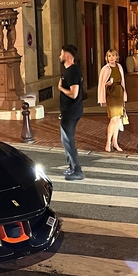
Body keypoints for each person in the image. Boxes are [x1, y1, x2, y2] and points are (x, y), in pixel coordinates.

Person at [57, 44, 84, 181]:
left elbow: (74, 94)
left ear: (67, 56)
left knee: (68, 141)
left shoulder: (72, 72)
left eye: (61, 54)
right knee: (65, 139)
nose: (60, 56)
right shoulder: (70, 71)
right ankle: (71, 167)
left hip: (72, 112)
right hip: (69, 111)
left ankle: (77, 170)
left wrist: (61, 88)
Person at [97, 49, 127, 152]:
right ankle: (108, 143)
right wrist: (107, 84)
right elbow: (101, 85)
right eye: (109, 56)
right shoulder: (105, 69)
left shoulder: (119, 67)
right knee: (113, 119)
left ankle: (115, 142)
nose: (111, 58)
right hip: (111, 94)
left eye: (113, 55)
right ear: (107, 58)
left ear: (116, 57)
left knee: (118, 119)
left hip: (119, 93)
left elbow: (123, 82)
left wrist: (124, 98)